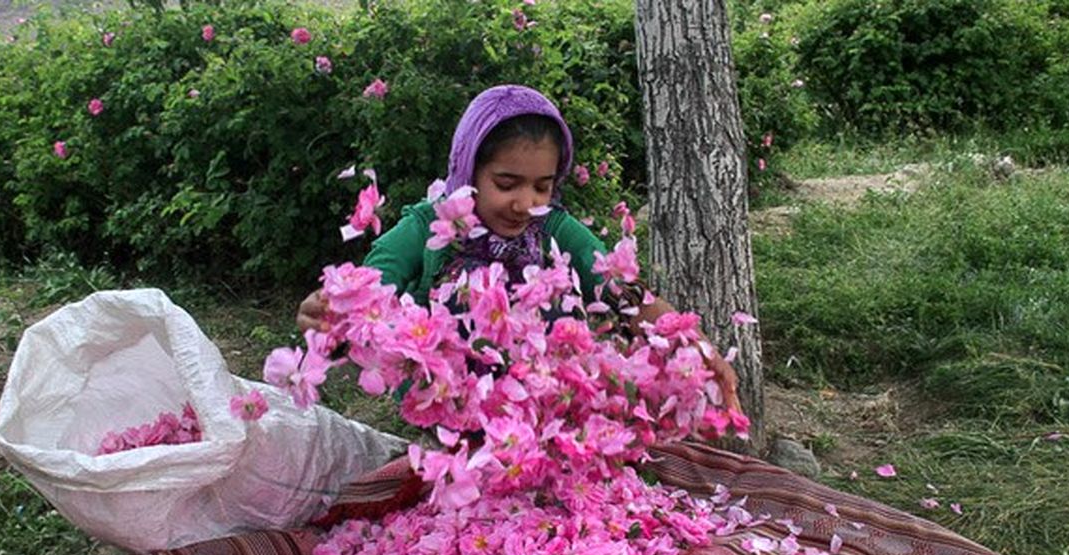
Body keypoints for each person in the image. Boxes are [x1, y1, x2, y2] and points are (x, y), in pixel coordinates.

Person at [297, 84, 742, 414]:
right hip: (450, 417)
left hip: (547, 414)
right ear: (467, 170)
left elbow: (629, 297)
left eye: (542, 187)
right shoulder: (425, 229)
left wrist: (701, 350)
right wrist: (331, 320)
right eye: (506, 184)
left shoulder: (555, 231)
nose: (525, 203)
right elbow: (367, 299)